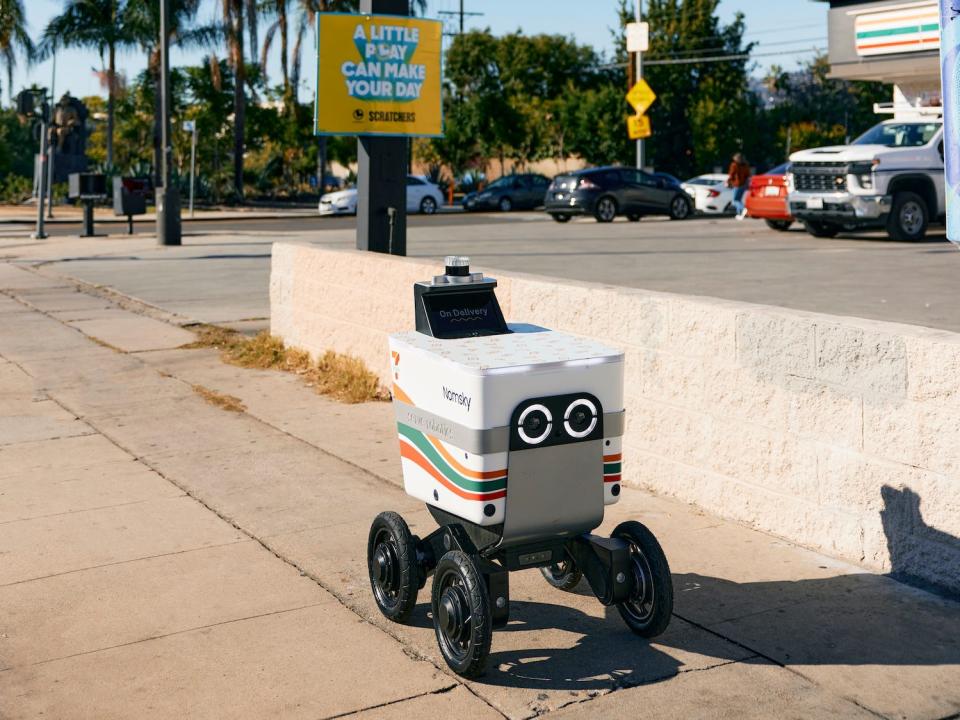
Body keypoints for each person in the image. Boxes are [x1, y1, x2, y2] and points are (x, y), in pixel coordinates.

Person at [727, 152, 751, 220]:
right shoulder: (745, 165)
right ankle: (739, 213)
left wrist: (728, 181)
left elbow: (731, 174)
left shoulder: (734, 165)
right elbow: (748, 175)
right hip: (743, 184)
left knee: (735, 200)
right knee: (739, 199)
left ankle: (743, 209)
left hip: (737, 184)